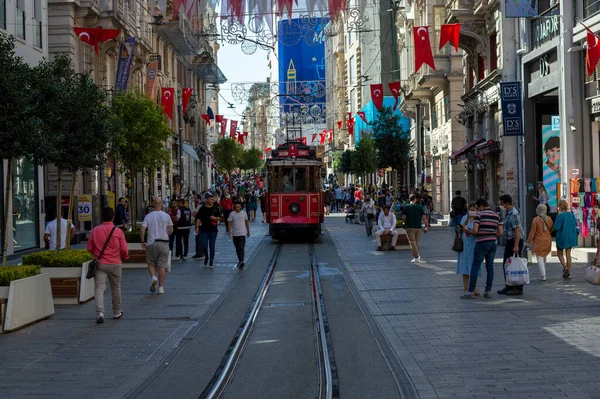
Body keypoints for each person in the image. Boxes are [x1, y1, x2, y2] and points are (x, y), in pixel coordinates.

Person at [87, 207, 129, 324]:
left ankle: (100, 312)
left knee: (99, 288)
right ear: (113, 218)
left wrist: (97, 253)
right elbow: (124, 249)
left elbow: (89, 248)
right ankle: (116, 312)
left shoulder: (95, 230)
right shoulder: (118, 231)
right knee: (116, 288)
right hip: (115, 263)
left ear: (101, 217)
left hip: (100, 264)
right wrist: (124, 257)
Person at [461, 198, 502, 299]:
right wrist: (492, 235)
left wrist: (468, 231)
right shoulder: (497, 215)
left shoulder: (479, 215)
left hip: (481, 243)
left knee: (475, 266)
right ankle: (488, 291)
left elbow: (475, 231)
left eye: (478, 208)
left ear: (481, 206)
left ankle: (470, 291)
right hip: (492, 243)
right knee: (490, 267)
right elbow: (501, 233)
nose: (477, 210)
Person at [140, 198, 173, 295]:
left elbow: (142, 230)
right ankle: (161, 288)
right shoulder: (166, 216)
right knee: (162, 265)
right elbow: (171, 230)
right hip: (163, 243)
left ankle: (153, 277)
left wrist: (142, 241)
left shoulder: (148, 216)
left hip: (151, 243)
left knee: (151, 263)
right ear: (161, 204)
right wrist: (166, 234)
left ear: (153, 204)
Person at [498, 194, 525, 296]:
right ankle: (509, 285)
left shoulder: (513, 213)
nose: (501, 205)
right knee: (507, 264)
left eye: (502, 203)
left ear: (507, 203)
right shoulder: (508, 212)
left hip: (515, 241)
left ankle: (518, 287)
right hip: (510, 241)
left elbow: (517, 230)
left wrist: (516, 245)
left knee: (515, 265)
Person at [456, 203, 481, 295]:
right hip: (465, 245)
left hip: (475, 244)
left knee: (474, 266)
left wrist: (469, 231)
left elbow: (477, 233)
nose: (472, 211)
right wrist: (460, 228)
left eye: (474, 210)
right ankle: (466, 287)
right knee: (465, 265)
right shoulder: (464, 218)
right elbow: (458, 230)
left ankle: (473, 287)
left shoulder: (478, 219)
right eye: (470, 209)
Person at [527, 204, 554, 281]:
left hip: (538, 241)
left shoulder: (536, 219)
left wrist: (528, 241)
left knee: (539, 258)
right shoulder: (549, 219)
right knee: (544, 256)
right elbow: (551, 229)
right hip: (548, 240)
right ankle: (544, 274)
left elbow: (532, 232)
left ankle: (543, 275)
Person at [195, 193, 223, 268]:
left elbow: (221, 218)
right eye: (211, 199)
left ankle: (211, 261)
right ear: (206, 200)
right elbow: (198, 218)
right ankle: (206, 257)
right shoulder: (202, 208)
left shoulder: (215, 208)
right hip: (204, 230)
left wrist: (215, 218)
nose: (212, 201)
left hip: (213, 230)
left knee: (212, 246)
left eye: (213, 199)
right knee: (204, 245)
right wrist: (197, 227)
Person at [554, 199, 578, 279]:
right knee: (568, 255)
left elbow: (557, 227)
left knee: (560, 253)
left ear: (560, 207)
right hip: (571, 236)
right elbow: (575, 224)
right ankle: (569, 272)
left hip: (562, 237)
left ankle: (565, 268)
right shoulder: (571, 215)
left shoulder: (560, 216)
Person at [402, 194, 430, 262]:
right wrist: (426, 226)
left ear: (409, 199)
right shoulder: (419, 207)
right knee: (416, 242)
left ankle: (416, 256)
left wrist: (404, 223)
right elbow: (424, 217)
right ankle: (417, 256)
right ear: (416, 199)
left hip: (409, 227)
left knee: (412, 242)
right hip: (418, 227)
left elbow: (404, 217)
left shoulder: (406, 207)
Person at [228, 202, 251, 268]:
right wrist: (229, 230)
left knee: (241, 247)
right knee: (237, 248)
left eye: (238, 207)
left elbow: (246, 222)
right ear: (234, 207)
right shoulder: (232, 214)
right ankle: (240, 260)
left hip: (242, 233)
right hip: (235, 234)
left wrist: (248, 231)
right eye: (236, 206)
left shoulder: (244, 213)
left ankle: (241, 261)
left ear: (241, 207)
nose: (237, 208)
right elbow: (229, 222)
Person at [191, 195, 205, 259]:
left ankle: (199, 254)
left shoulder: (199, 205)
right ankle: (201, 253)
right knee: (200, 239)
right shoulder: (203, 205)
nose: (194, 199)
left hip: (199, 224)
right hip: (202, 224)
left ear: (198, 199)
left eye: (195, 198)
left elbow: (194, 214)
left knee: (198, 239)